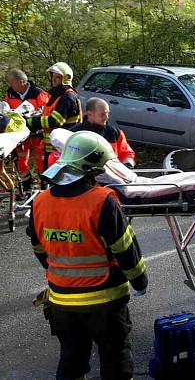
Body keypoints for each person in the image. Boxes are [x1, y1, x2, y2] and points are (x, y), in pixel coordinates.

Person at [27, 130, 148, 380]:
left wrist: (59, 269)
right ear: (91, 169)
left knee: (71, 361)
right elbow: (126, 250)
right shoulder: (103, 201)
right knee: (115, 360)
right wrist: (140, 281)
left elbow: (39, 248)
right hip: (105, 300)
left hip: (61, 301)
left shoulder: (40, 202)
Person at [26, 62, 82, 170]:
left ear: (66, 78)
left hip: (62, 147)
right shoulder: (57, 94)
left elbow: (55, 121)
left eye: (58, 77)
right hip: (54, 146)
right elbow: (48, 114)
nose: (54, 79)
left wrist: (32, 121)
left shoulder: (68, 97)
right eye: (53, 76)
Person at [5, 68, 50, 190]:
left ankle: (44, 187)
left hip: (37, 133)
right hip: (19, 134)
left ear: (21, 81)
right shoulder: (10, 93)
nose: (10, 85)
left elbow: (46, 112)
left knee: (40, 160)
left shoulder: (39, 93)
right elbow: (7, 110)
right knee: (21, 160)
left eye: (12, 82)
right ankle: (26, 187)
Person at [68, 97, 136, 168]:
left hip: (111, 176)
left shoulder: (114, 132)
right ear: (89, 114)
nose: (106, 117)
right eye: (102, 114)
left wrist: (128, 163)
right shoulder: (74, 134)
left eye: (107, 113)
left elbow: (126, 153)